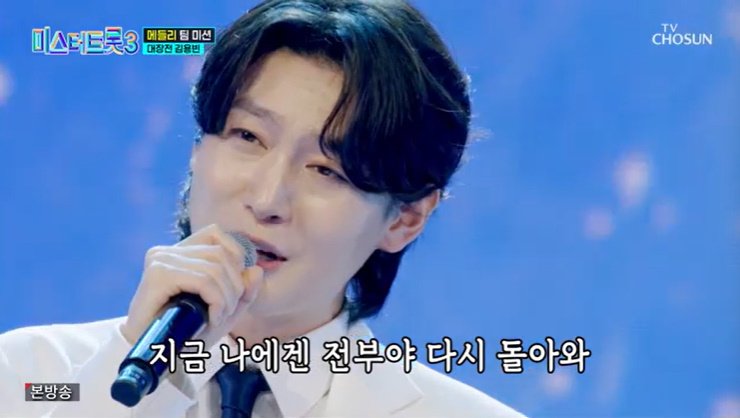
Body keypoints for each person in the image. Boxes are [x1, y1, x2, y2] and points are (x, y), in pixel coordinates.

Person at [0, 0, 525, 416]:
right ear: (198, 150)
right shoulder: (32, 377)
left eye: (327, 170)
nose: (268, 200)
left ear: (406, 218)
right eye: (248, 137)